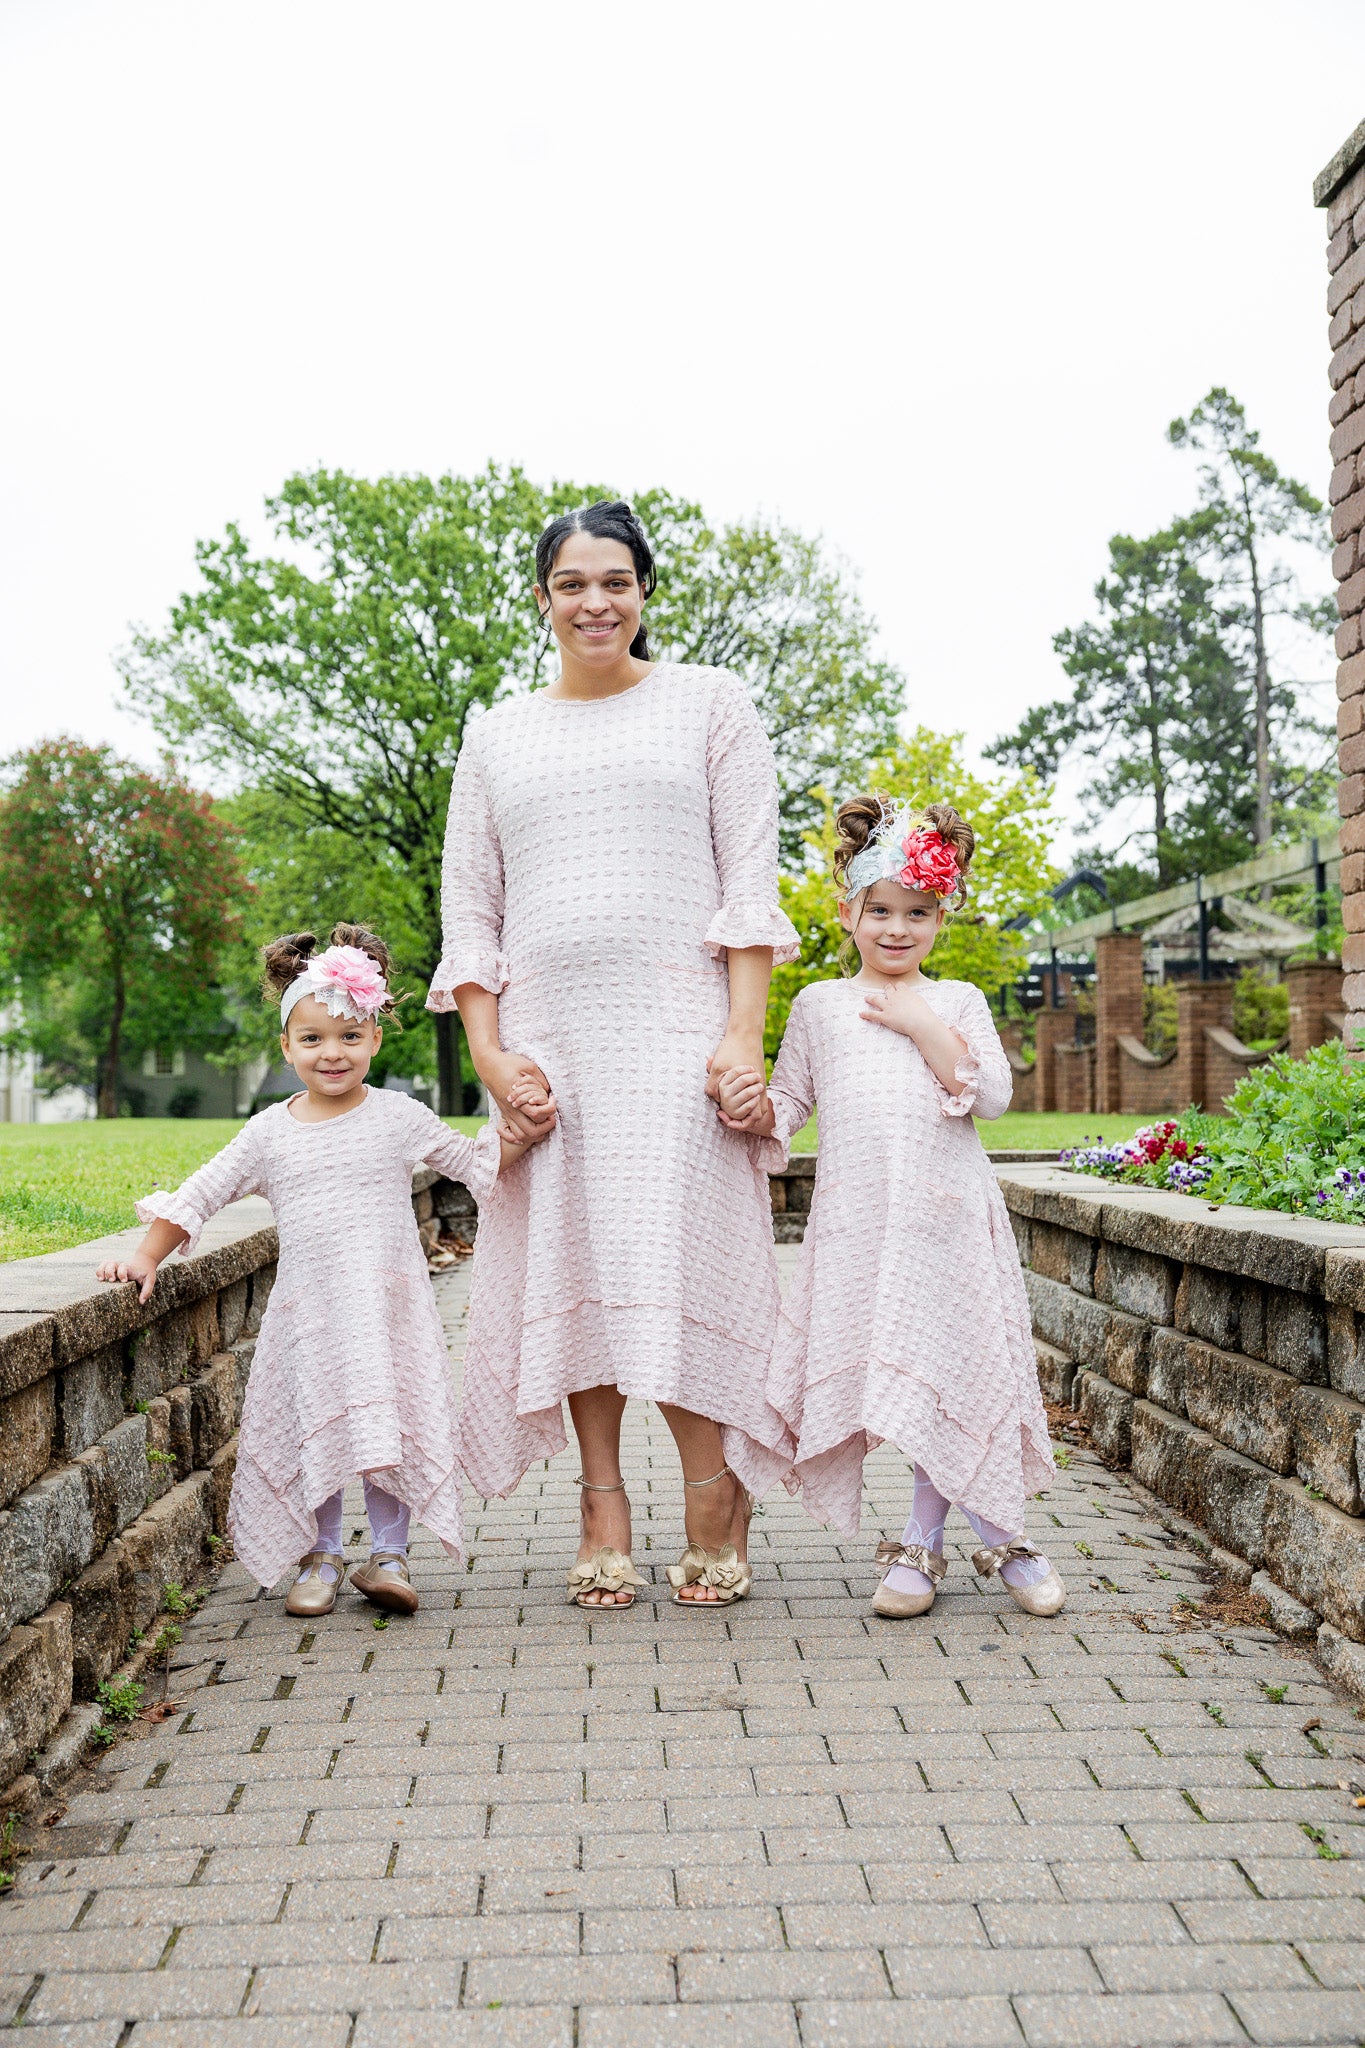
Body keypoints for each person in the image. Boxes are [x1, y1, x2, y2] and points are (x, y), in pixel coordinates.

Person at [428, 499, 799, 1610]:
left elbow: (749, 882)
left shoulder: (710, 704)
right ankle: (600, 1502)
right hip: (553, 1046)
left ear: (644, 592)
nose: (595, 600)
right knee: (578, 1267)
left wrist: (742, 1033)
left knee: (678, 1259)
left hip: (679, 1033)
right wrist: (492, 1058)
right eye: (572, 582)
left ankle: (713, 1484)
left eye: (616, 581)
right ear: (542, 596)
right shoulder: (496, 733)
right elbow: (470, 908)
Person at [96, 925, 552, 1619]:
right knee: (315, 1420)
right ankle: (322, 1551)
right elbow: (202, 1193)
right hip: (309, 1312)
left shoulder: (399, 1116)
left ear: (373, 1039)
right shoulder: (269, 1131)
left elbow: (475, 1168)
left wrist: (516, 1140)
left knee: (389, 1420)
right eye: (311, 1040)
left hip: (388, 1308)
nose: (330, 1053)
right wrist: (144, 1255)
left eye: (346, 1037)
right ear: (286, 1047)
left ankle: (391, 1554)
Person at [716, 796, 1064, 1619]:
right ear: (848, 913)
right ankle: (972, 1535)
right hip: (859, 1231)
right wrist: (748, 1106)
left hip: (947, 1224)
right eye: (879, 911)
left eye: (917, 913)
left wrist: (917, 1022)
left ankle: (944, 1539)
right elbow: (788, 1103)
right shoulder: (818, 1008)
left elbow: (993, 1098)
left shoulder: (956, 1001)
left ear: (940, 919)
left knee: (953, 1373)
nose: (896, 928)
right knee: (900, 1379)